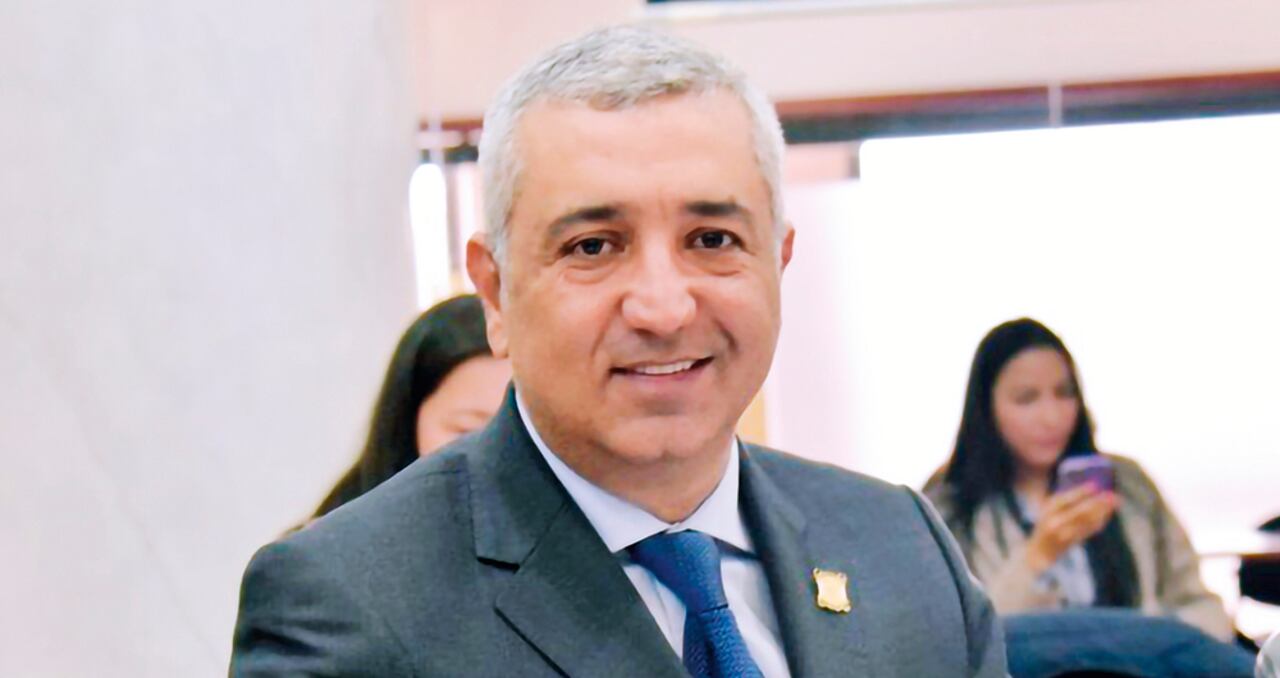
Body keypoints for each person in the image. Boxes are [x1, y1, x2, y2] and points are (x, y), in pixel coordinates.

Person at [231, 26, 1005, 677]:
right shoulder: (351, 601)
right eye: (594, 246)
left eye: (712, 240)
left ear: (779, 261)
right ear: (495, 292)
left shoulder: (903, 550)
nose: (663, 308)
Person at [923, 318, 1232, 642]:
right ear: (986, 408)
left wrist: (1157, 641)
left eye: (1064, 393)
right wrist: (1037, 556)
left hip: (1138, 662)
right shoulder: (948, 507)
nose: (1051, 417)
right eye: (1026, 399)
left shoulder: (1129, 485)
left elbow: (1199, 604)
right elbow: (958, 643)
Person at [312, 294, 509, 518]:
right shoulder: (338, 533)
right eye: (468, 431)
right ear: (409, 416)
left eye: (518, 426)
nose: (498, 454)